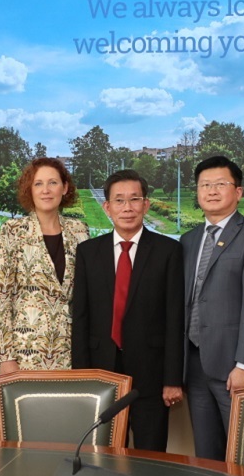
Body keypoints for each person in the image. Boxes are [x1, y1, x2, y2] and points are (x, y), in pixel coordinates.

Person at [72, 170, 185, 452]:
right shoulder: (88, 252)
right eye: (119, 201)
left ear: (146, 204)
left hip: (152, 373)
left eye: (134, 199)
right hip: (102, 370)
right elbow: (81, 318)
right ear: (106, 207)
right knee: (104, 456)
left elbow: (175, 318)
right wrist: (82, 375)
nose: (127, 208)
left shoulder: (168, 251)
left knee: (151, 456)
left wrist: (172, 379)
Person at [180, 156, 244, 461]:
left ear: (239, 192)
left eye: (221, 184)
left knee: (242, 457)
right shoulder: (189, 240)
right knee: (207, 456)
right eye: (205, 185)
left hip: (235, 368)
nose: (211, 190)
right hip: (194, 364)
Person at [0, 157, 90, 374]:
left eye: (53, 183)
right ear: (30, 190)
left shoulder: (80, 230)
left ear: (64, 188)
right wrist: (6, 357)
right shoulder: (13, 230)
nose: (46, 190)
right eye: (38, 183)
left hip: (72, 354)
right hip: (25, 355)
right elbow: (1, 297)